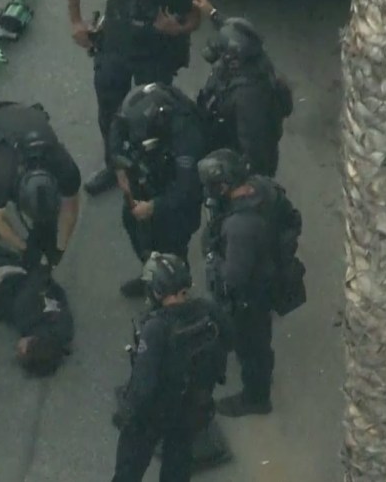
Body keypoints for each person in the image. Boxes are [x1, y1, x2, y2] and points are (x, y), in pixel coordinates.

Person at [65, 0, 202, 196]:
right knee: (109, 112)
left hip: (155, 53)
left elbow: (195, 13)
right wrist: (75, 21)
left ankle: (155, 165)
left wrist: (176, 29)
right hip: (116, 47)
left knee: (155, 114)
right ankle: (114, 164)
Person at [197, 148, 303, 417]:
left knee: (252, 346)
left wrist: (212, 257)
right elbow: (291, 219)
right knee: (257, 340)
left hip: (251, 294)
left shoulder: (239, 226)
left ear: (224, 185)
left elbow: (233, 276)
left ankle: (256, 397)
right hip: (269, 272)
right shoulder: (263, 188)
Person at [111, 252, 232, 482]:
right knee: (178, 466)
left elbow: (143, 388)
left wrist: (128, 414)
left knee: (129, 469)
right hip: (191, 406)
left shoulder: (156, 328)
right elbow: (229, 339)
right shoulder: (207, 309)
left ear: (156, 291)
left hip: (154, 413)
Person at [107, 82, 205, 298]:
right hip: (144, 183)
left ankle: (174, 293)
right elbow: (117, 127)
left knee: (172, 250)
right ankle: (152, 277)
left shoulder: (187, 136)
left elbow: (187, 188)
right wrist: (119, 167)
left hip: (174, 201)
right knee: (135, 228)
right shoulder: (136, 107)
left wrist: (154, 206)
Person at [0, 102, 82, 271]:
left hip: (18, 113)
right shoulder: (0, 178)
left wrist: (61, 248)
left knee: (45, 217)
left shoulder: (62, 165)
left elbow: (70, 210)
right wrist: (24, 248)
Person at [0, 218, 74, 376]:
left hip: (25, 274)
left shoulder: (63, 330)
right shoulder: (25, 316)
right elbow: (7, 300)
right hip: (7, 275)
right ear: (32, 344)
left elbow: (54, 292)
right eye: (22, 351)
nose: (18, 349)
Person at [191, 0, 293, 177]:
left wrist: (243, 184)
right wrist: (212, 13)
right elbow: (236, 35)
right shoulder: (254, 56)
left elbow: (255, 152)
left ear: (233, 59)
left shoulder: (249, 97)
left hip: (234, 153)